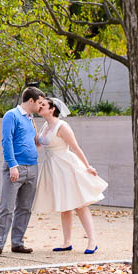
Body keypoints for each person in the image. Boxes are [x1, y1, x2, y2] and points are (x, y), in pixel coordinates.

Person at [32, 97, 108, 254]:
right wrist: (32, 127)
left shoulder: (62, 126)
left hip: (67, 166)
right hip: (53, 168)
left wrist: (88, 166)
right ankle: (67, 242)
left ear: (52, 109)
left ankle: (92, 241)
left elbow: (75, 147)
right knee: (64, 206)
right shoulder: (45, 126)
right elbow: (38, 145)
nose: (40, 107)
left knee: (80, 204)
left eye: (43, 105)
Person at [0, 86, 46, 256]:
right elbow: (6, 142)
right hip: (15, 168)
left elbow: (36, 143)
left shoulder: (30, 119)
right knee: (6, 207)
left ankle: (17, 242)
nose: (41, 106)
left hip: (32, 167)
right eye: (40, 103)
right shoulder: (11, 115)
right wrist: (12, 165)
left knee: (25, 208)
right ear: (31, 101)